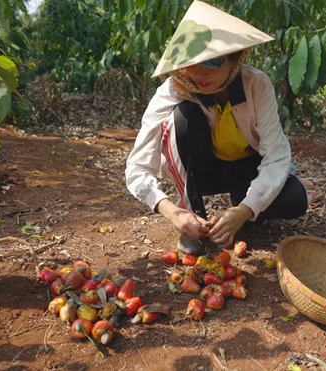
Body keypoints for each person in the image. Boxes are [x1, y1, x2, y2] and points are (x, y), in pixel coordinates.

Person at [125, 1, 313, 256]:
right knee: (183, 116)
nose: (199, 73)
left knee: (295, 199)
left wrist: (245, 210)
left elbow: (277, 156)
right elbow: (137, 168)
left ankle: (243, 217)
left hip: (247, 170)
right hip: (203, 172)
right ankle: (194, 218)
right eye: (190, 62)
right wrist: (172, 211)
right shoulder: (174, 89)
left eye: (212, 61)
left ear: (235, 59)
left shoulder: (256, 86)